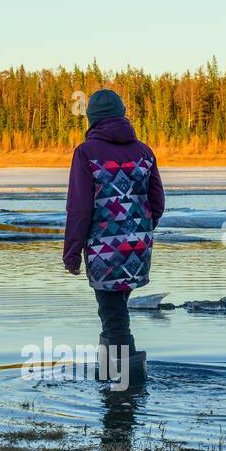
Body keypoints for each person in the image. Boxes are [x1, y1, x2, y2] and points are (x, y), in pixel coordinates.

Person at [62, 89, 165, 372]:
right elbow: (157, 202)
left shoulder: (86, 153)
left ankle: (126, 390)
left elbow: (80, 209)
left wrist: (71, 254)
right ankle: (110, 379)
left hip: (104, 249)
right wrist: (140, 231)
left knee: (113, 315)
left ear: (92, 120)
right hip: (138, 245)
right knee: (114, 310)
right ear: (122, 114)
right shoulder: (144, 151)